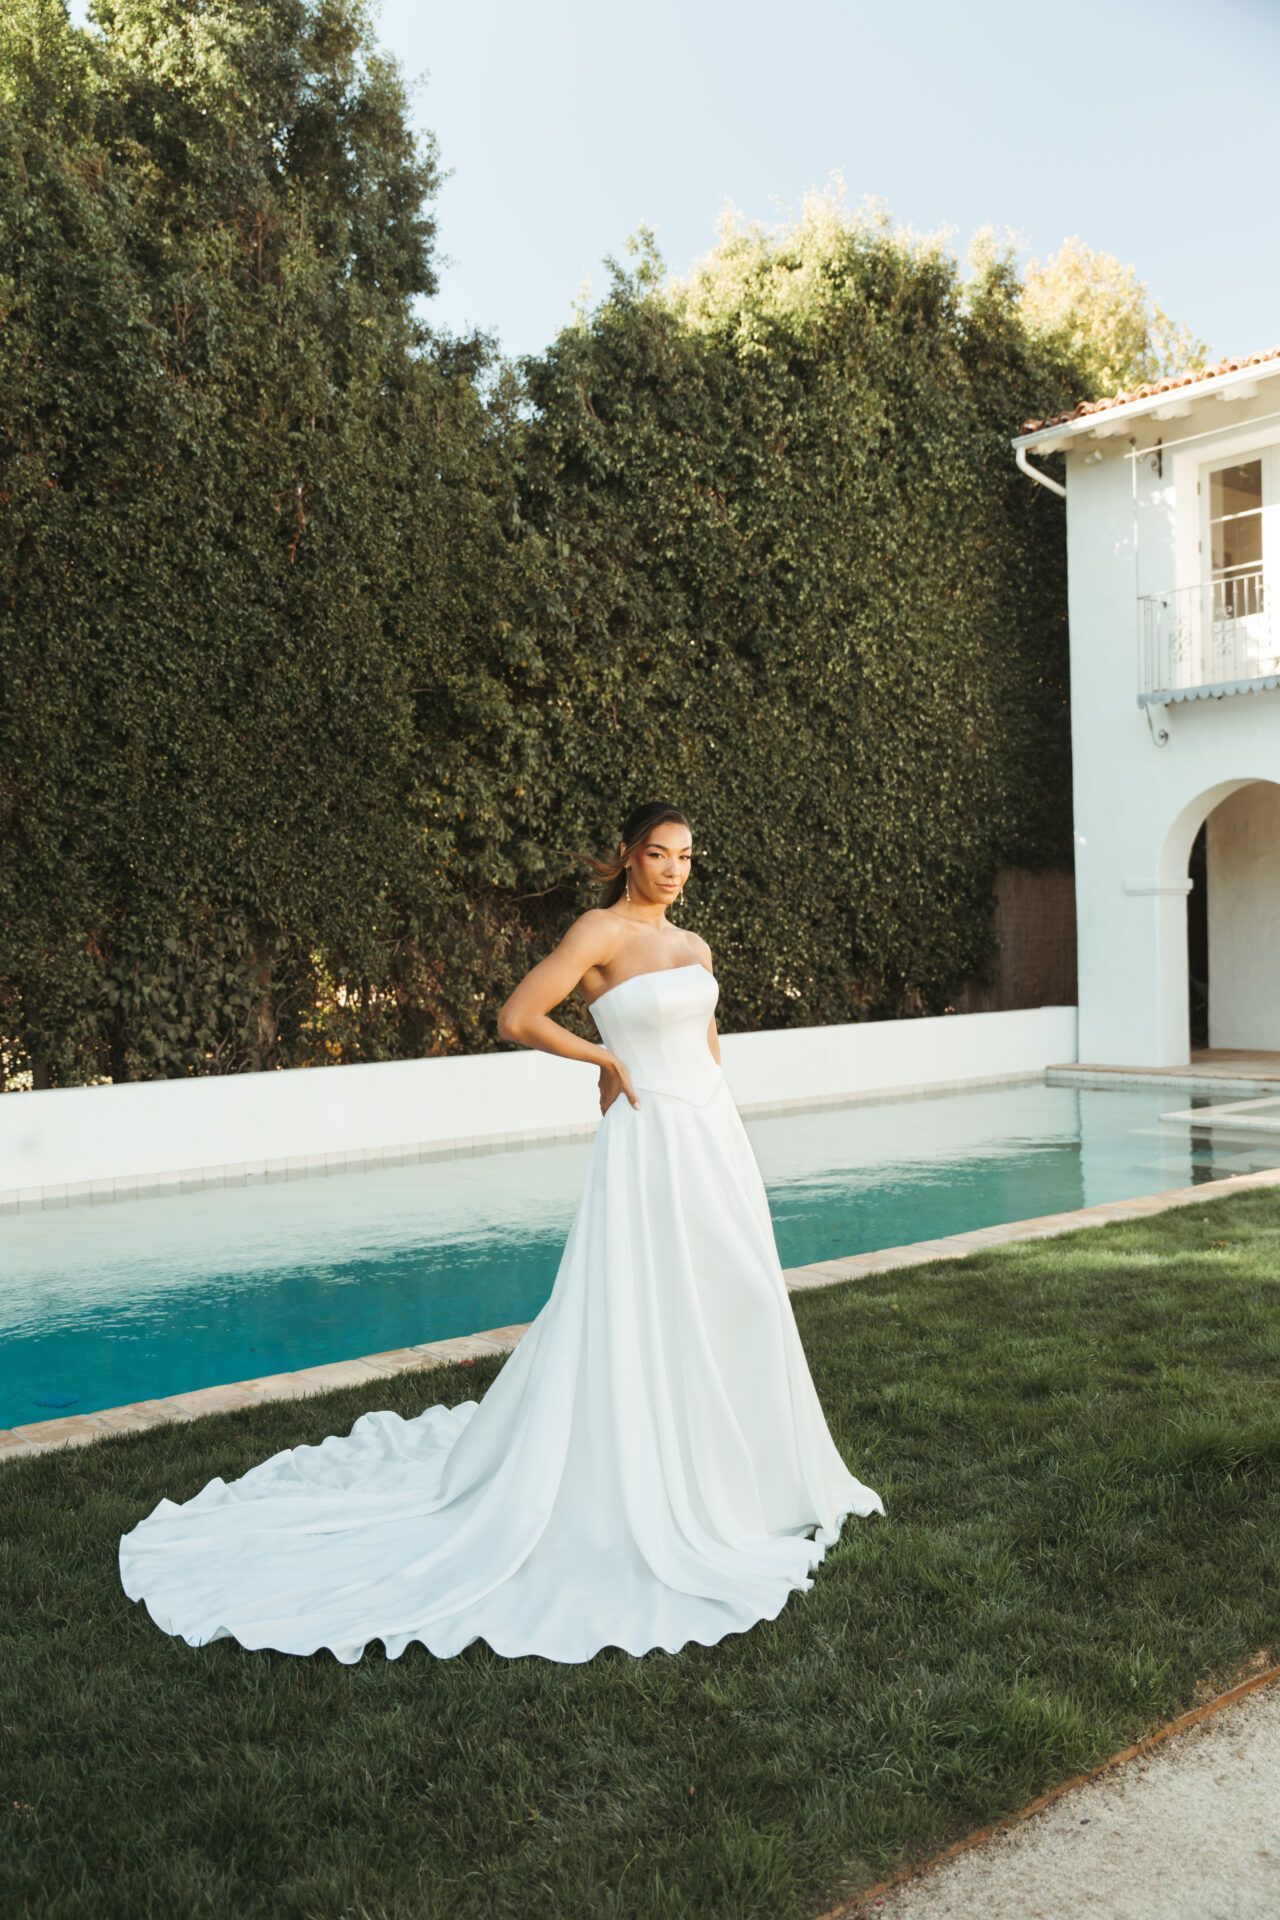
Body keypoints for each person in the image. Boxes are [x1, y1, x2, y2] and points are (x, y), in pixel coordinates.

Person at [118, 799, 885, 1664]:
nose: (673, 870)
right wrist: (603, 1060)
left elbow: (708, 1045)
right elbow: (518, 1017)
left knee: (734, 1295)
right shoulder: (599, 932)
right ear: (628, 857)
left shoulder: (696, 947)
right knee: (644, 1302)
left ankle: (749, 1477)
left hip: (713, 1136)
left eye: (686, 857)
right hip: (649, 1137)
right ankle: (653, 1475)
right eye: (659, 854)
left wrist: (722, 1126)